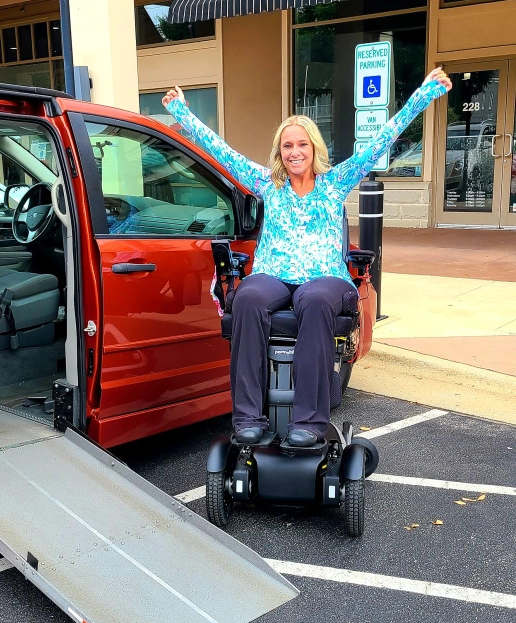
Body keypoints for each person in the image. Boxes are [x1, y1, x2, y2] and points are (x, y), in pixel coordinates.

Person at [162, 68, 452, 448]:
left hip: (325, 279)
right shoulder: (268, 183)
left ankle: (309, 422)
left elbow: (383, 139)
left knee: (314, 300)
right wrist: (182, 113)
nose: (295, 152)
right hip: (274, 275)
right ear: (279, 152)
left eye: (302, 144)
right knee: (247, 297)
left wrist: (425, 92)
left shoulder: (335, 182)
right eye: (287, 146)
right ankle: (247, 417)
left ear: (314, 147)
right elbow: (220, 151)